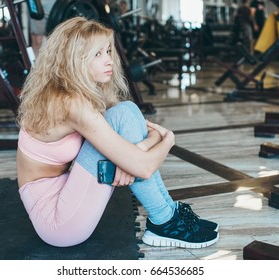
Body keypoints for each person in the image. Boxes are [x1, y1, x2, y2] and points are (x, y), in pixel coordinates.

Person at [16, 16, 219, 249]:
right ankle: (164, 220)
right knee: (124, 116)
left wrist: (131, 155)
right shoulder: (70, 103)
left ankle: (166, 215)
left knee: (125, 111)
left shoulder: (74, 92)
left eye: (108, 51)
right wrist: (168, 140)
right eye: (97, 54)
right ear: (74, 60)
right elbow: (143, 167)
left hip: (66, 188)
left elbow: (133, 130)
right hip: (58, 222)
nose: (109, 60)